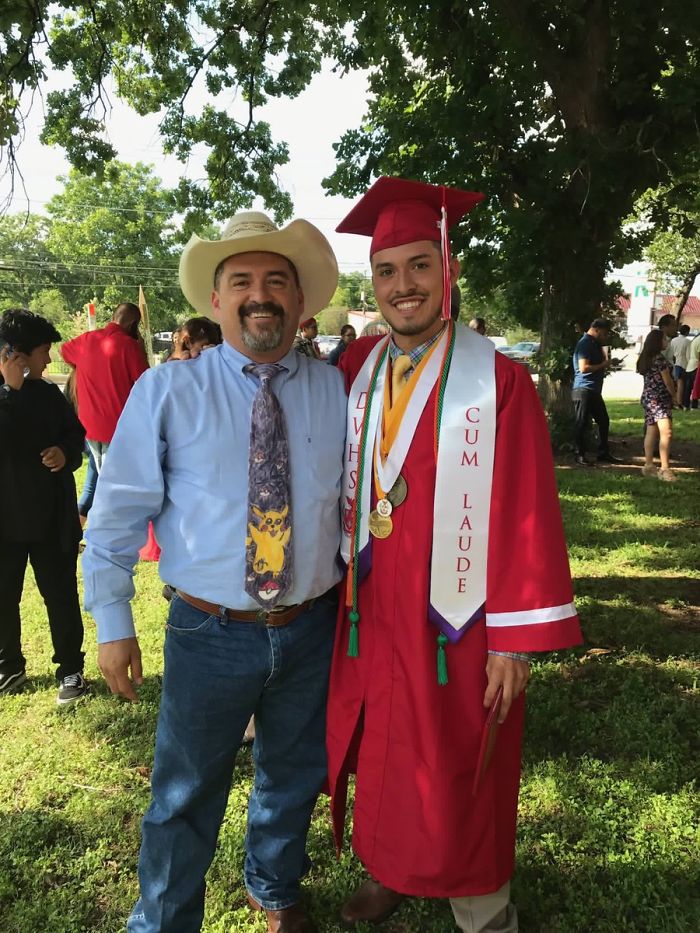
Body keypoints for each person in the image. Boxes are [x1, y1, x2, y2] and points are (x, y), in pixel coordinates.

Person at [327, 177, 582, 933]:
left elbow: (528, 510)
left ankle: (481, 903)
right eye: (386, 270)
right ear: (373, 282)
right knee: (384, 739)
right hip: (376, 603)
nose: (402, 285)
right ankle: (389, 867)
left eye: (419, 266)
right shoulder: (357, 370)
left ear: (449, 269)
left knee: (463, 750)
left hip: (459, 614)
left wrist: (514, 641)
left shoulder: (498, 382)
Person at [82, 210, 346, 933]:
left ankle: (274, 885)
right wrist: (113, 622)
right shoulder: (168, 392)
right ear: (216, 299)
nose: (260, 295)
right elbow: (115, 513)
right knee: (184, 793)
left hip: (312, 625)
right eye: (242, 281)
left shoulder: (337, 391)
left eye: (276, 281)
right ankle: (164, 920)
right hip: (208, 630)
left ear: (299, 299)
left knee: (294, 772)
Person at [0, 309, 87, 703]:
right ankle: (9, 666)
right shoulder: (5, 395)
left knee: (60, 595)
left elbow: (76, 437)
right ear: (16, 355)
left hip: (51, 519)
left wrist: (64, 452)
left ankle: (70, 669)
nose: (49, 359)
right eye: (43, 352)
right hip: (6, 521)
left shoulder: (49, 394)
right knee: (4, 596)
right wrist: (9, 392)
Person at [60, 301, 148, 472]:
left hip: (89, 425)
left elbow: (64, 351)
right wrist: (141, 350)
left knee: (99, 473)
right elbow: (147, 382)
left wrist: (84, 367)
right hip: (116, 427)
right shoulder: (129, 346)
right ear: (133, 325)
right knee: (113, 479)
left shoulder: (86, 339)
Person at [571, 318, 621, 466]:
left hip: (593, 389)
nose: (605, 337)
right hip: (583, 388)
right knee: (581, 422)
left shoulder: (595, 344)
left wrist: (608, 362)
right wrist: (603, 364)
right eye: (604, 334)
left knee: (603, 420)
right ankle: (579, 454)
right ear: (596, 330)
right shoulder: (585, 343)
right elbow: (583, 368)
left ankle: (603, 452)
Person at [637, 329, 677, 482]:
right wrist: (674, 396)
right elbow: (667, 381)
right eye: (664, 339)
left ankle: (649, 465)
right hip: (660, 400)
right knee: (666, 433)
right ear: (657, 342)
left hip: (649, 398)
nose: (666, 342)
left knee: (651, 431)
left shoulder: (647, 358)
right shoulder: (659, 359)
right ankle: (665, 469)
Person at [668, 323, 691, 406]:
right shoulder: (687, 341)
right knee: (681, 383)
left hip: (674, 363)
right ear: (687, 332)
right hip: (683, 364)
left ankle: (674, 401)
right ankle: (679, 402)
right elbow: (688, 355)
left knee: (674, 383)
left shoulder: (673, 340)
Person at [682, 331, 700, 410]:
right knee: (696, 387)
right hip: (696, 366)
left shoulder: (695, 339)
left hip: (690, 365)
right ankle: (694, 406)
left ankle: (686, 405)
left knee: (688, 388)